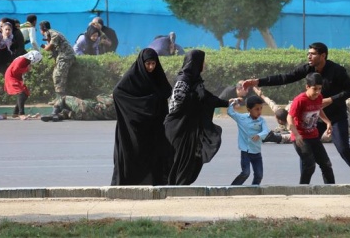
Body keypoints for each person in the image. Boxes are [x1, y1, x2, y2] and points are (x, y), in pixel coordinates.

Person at [242, 42, 350, 184]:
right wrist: (258, 81)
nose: (309, 56)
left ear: (323, 56)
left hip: (335, 116)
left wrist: (331, 100)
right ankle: (304, 186)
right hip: (314, 118)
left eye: (313, 54)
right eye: (308, 53)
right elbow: (285, 77)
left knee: (343, 148)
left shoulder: (337, 70)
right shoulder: (308, 69)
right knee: (306, 152)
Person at [164, 49, 229, 185]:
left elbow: (207, 98)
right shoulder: (184, 79)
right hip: (179, 127)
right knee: (182, 159)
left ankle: (180, 187)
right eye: (202, 62)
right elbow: (175, 103)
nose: (203, 65)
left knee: (191, 159)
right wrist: (193, 102)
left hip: (189, 127)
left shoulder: (196, 80)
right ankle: (177, 189)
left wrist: (227, 103)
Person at [111, 48, 173, 186]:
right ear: (142, 63)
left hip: (153, 127)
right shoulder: (132, 76)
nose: (151, 67)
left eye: (153, 63)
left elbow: (165, 93)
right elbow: (118, 93)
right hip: (134, 126)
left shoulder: (157, 77)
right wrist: (147, 103)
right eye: (148, 64)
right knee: (134, 154)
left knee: (155, 155)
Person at [287, 72, 335, 185]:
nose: (317, 92)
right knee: (309, 165)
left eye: (320, 89)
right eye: (315, 89)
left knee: (326, 164)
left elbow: (319, 109)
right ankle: (303, 190)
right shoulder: (300, 100)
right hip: (301, 137)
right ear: (307, 87)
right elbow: (289, 118)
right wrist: (296, 135)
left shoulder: (319, 97)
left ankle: (332, 189)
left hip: (313, 136)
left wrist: (327, 122)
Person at [228, 95, 269, 185]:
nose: (259, 111)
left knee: (259, 175)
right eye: (256, 109)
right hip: (245, 152)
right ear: (249, 109)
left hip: (257, 152)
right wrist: (234, 101)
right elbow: (230, 112)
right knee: (246, 173)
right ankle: (233, 188)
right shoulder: (241, 118)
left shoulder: (261, 121)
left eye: (260, 108)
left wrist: (259, 135)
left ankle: (254, 190)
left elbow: (266, 130)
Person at [40, 21, 76, 101]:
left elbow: (49, 47)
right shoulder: (50, 34)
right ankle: (59, 99)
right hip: (63, 56)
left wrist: (46, 47)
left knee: (58, 76)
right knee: (56, 76)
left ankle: (61, 100)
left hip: (65, 56)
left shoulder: (52, 33)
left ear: (42, 30)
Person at [4, 50, 43, 120]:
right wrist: (26, 69)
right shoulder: (22, 59)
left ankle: (15, 113)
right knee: (21, 93)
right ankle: (21, 114)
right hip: (11, 76)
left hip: (16, 77)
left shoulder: (26, 60)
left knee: (25, 93)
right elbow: (15, 70)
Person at [40, 94, 116, 122]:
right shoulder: (120, 112)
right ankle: (60, 116)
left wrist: (111, 95)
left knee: (64, 98)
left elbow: (99, 97)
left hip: (85, 108)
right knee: (67, 112)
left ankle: (54, 114)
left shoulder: (114, 102)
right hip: (84, 117)